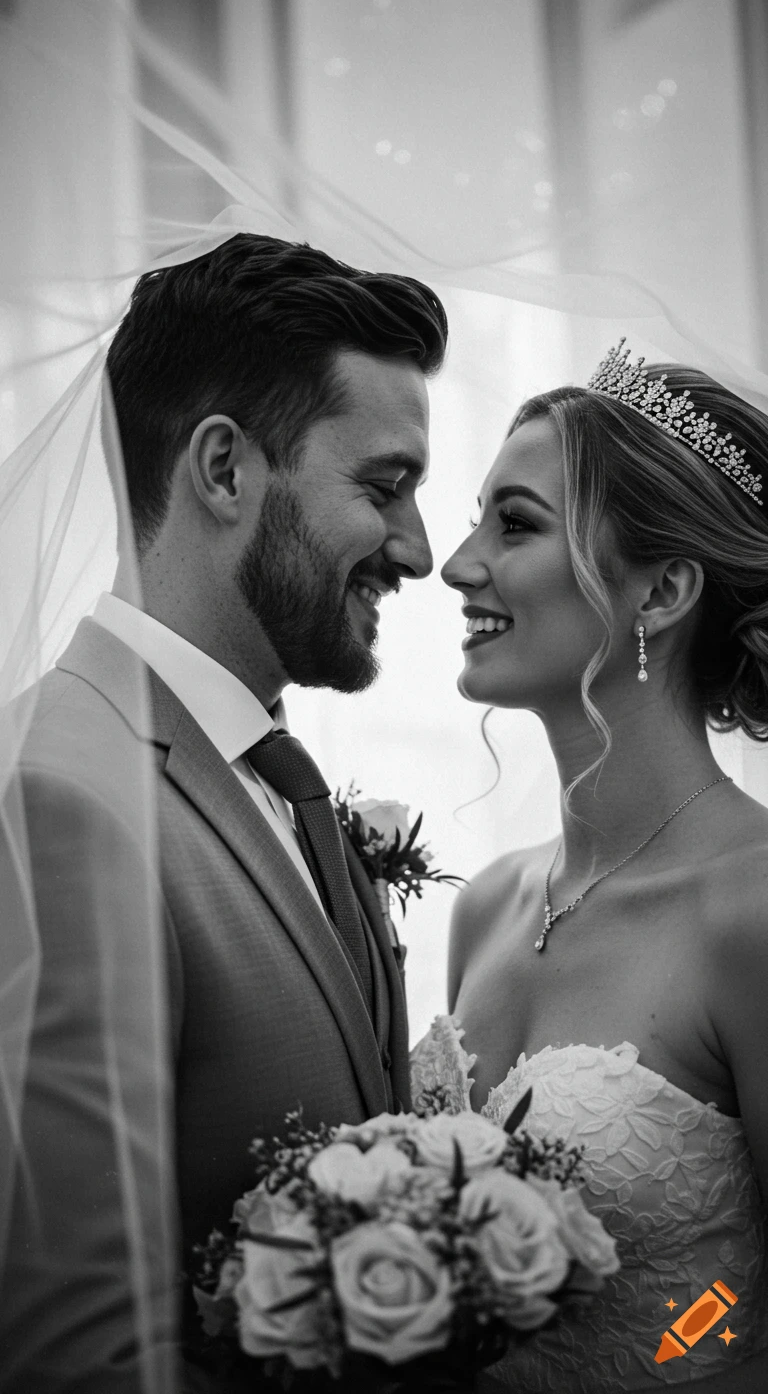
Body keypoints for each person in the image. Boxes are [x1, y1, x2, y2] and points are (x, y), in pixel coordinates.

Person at [0, 233, 447, 1391]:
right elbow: (77, 1351)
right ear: (225, 469)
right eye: (385, 487)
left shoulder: (266, 772)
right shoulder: (63, 796)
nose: (419, 548)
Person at [414, 341, 768, 1391]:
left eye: (514, 524)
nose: (458, 563)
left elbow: (747, 1299)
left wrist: (666, 1351)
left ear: (661, 591)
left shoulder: (750, 909)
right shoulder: (485, 906)